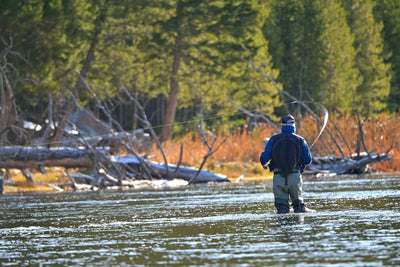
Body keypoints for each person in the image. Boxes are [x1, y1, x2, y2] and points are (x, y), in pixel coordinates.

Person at [260, 115, 312, 214]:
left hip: (278, 177)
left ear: (282, 125)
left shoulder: (274, 139)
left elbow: (264, 158)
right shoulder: (300, 140)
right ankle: (298, 228)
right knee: (299, 208)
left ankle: (282, 229)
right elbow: (308, 160)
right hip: (295, 177)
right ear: (294, 124)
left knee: (282, 210)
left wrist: (265, 164)